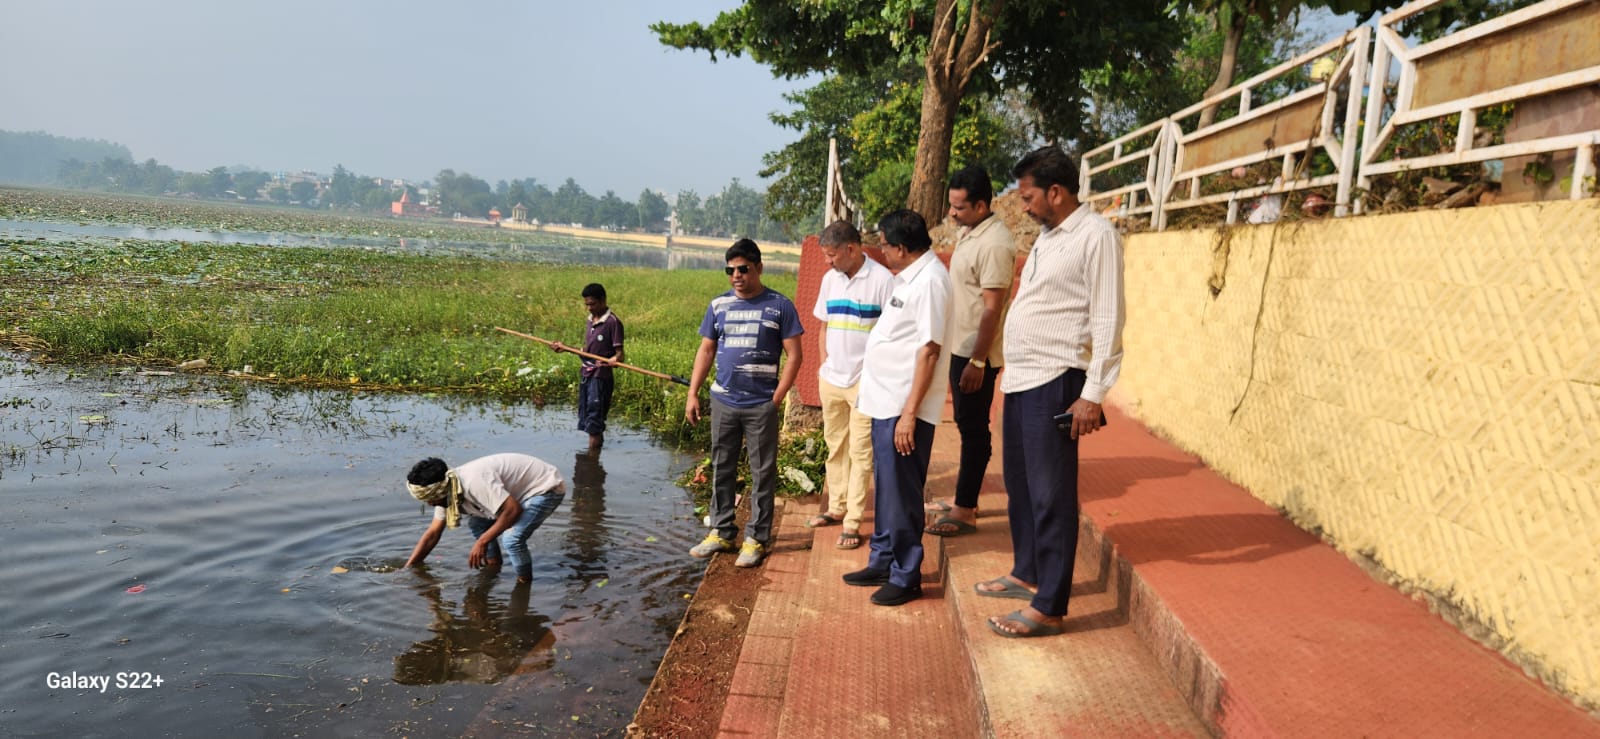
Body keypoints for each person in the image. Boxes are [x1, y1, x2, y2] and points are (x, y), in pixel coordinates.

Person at [978, 145, 1124, 638]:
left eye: (1028, 196)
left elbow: (1107, 318)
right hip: (1022, 378)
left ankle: (1050, 604)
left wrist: (1094, 393)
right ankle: (1028, 571)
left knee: (1051, 493)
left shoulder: (1096, 236)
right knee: (1019, 484)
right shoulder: (1048, 237)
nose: (1023, 206)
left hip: (1059, 377)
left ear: (1056, 192)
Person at [840, 210, 951, 607]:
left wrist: (909, 413)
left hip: (905, 409)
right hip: (885, 402)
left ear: (902, 248)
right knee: (887, 489)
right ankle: (883, 558)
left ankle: (906, 575)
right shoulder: (909, 279)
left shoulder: (932, 282)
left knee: (903, 493)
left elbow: (930, 349)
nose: (881, 251)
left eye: (884, 244)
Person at [684, 239, 804, 568]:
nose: (736, 275)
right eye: (730, 270)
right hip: (723, 400)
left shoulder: (780, 306)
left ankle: (757, 538)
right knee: (722, 466)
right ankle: (721, 532)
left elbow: (795, 356)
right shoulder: (718, 306)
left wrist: (775, 400)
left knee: (761, 471)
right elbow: (706, 350)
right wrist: (693, 393)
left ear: (758, 268)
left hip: (760, 404)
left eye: (743, 269)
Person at [924, 165, 1016, 538]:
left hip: (976, 354)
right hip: (961, 347)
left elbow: (992, 308)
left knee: (975, 431)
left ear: (981, 205)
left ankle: (966, 509)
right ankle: (964, 499)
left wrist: (978, 360)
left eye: (959, 208)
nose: (952, 213)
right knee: (966, 426)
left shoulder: (995, 243)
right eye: (951, 205)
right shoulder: (972, 233)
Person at [808, 220, 895, 550]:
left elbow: (891, 335)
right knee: (835, 445)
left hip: (864, 382)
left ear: (852, 249)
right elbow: (822, 327)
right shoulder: (830, 280)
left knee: (861, 452)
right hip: (832, 378)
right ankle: (836, 506)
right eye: (825, 256)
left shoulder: (882, 281)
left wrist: (875, 377)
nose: (828, 262)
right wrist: (822, 368)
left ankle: (853, 520)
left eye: (832, 255)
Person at [402, 453, 566, 584]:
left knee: (512, 539)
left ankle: (524, 584)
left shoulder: (474, 482)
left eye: (431, 499)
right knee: (477, 523)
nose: (430, 504)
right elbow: (432, 534)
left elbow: (512, 510)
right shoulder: (449, 488)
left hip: (544, 488)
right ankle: (494, 566)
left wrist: (482, 542)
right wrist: (408, 568)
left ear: (440, 490)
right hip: (516, 494)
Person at [552, 283, 624, 451]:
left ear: (603, 300)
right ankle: (593, 464)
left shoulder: (613, 322)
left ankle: (592, 460)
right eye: (587, 305)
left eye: (593, 304)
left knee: (594, 420)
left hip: (601, 378)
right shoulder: (590, 321)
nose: (589, 308)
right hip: (587, 374)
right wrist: (565, 348)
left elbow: (620, 354)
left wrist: (613, 360)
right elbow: (587, 351)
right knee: (587, 418)